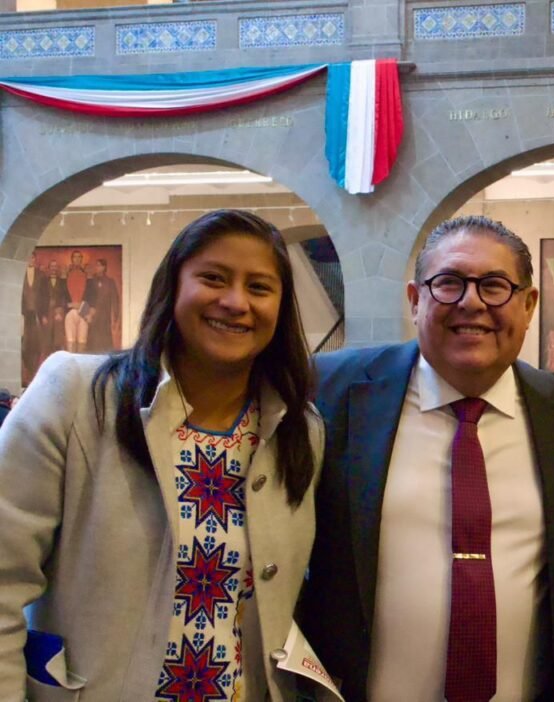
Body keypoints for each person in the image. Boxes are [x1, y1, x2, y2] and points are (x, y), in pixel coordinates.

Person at [0, 210, 326, 700]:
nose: (236, 302)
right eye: (213, 278)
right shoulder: (77, 396)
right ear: (172, 287)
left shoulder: (299, 430)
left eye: (259, 287)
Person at [301, 215, 554, 702]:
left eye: (494, 285)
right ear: (415, 300)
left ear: (529, 305)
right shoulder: (331, 391)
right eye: (449, 283)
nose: (471, 302)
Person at [83, 258, 120, 352]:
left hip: (105, 316)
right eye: (96, 265)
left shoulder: (110, 282)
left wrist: (115, 317)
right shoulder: (91, 281)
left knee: (105, 343)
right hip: (93, 315)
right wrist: (86, 315)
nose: (97, 268)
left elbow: (115, 300)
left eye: (99, 265)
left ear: (104, 267)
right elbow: (86, 298)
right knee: (92, 342)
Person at [21, 251, 42, 386]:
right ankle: (26, 370)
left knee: (36, 343)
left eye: (33, 258)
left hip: (36, 314)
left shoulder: (41, 275)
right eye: (28, 257)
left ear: (35, 259)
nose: (30, 260)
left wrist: (43, 313)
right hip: (23, 314)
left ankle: (34, 371)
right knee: (24, 343)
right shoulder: (20, 274)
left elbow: (44, 295)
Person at [64, 249, 90, 353]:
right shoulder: (66, 275)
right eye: (75, 257)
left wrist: (82, 308)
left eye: (79, 257)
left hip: (83, 313)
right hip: (70, 312)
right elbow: (61, 297)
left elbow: (91, 297)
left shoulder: (87, 276)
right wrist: (71, 305)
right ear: (72, 259)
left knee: (82, 342)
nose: (77, 259)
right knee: (71, 343)